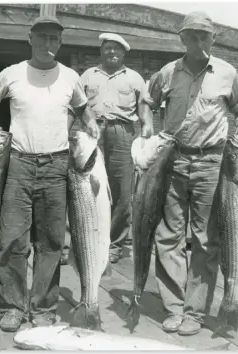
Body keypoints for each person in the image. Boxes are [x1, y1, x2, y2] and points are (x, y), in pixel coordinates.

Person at [0, 15, 99, 332]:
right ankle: (11, 307)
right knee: (13, 238)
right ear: (30, 39)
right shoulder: (13, 74)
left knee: (52, 241)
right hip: (18, 164)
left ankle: (43, 307)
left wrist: (92, 121)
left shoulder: (70, 77)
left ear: (60, 43)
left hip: (58, 166)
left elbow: (83, 108)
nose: (47, 44)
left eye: (53, 39)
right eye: (41, 37)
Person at [146, 11, 238, 336]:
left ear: (213, 39)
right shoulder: (167, 73)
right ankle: (174, 308)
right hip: (172, 161)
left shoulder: (227, 73)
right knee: (168, 235)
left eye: (204, 36)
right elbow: (148, 101)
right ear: (182, 39)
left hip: (212, 163)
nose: (199, 42)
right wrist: (148, 126)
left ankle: (194, 312)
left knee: (206, 240)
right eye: (192, 36)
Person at [78, 33, 153, 263]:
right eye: (108, 48)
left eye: (117, 49)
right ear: (101, 50)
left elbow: (144, 109)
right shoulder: (88, 75)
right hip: (92, 133)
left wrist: (147, 129)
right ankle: (84, 240)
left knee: (122, 190)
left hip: (123, 132)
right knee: (85, 187)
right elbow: (77, 105)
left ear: (124, 53)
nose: (112, 52)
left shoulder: (134, 78)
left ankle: (114, 244)